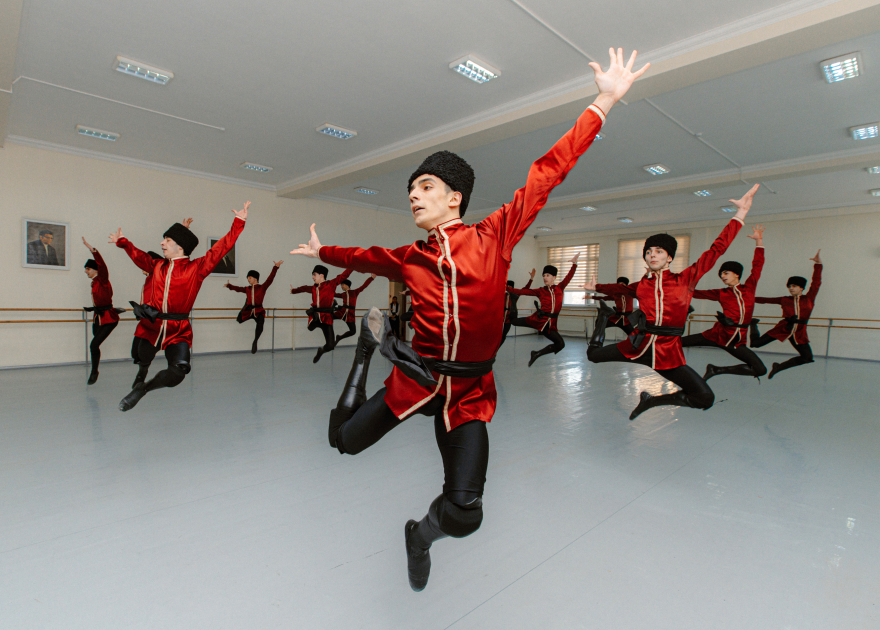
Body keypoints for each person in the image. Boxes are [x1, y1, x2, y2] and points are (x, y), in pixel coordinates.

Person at [290, 48, 647, 591]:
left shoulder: (493, 235)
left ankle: (418, 537)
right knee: (345, 442)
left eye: (425, 187)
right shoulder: (410, 257)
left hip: (470, 390)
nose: (414, 196)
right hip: (417, 377)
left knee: (465, 514)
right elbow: (362, 256)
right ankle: (364, 354)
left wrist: (602, 102)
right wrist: (323, 252)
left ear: (455, 197)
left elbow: (546, 173)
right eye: (411, 191)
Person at [584, 184, 759, 420]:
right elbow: (620, 289)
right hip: (638, 344)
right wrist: (596, 287)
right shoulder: (641, 284)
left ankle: (651, 400)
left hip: (667, 351)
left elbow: (716, 250)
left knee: (704, 397)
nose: (652, 255)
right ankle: (603, 319)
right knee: (593, 356)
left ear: (669, 257)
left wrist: (740, 214)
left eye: (658, 251)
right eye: (649, 252)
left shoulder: (686, 279)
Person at [112, 203, 250, 411]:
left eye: (167, 240)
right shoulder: (157, 265)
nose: (162, 243)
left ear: (180, 247)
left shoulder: (197, 268)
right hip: (153, 325)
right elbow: (139, 256)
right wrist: (123, 242)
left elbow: (222, 247)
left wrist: (239, 222)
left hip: (178, 330)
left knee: (179, 372)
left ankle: (143, 389)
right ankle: (142, 371)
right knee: (142, 356)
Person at [681, 225, 767, 380]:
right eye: (721, 274)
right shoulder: (721, 293)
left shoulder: (749, 288)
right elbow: (695, 293)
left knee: (760, 369)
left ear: (737, 274)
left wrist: (759, 241)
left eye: (726, 273)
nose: (722, 276)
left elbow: (758, 265)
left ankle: (716, 370)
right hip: (717, 335)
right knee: (678, 342)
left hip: (737, 340)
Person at [750, 250, 823, 379]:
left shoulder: (809, 298)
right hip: (783, 328)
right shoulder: (785, 299)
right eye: (789, 286)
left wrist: (818, 264)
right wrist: (745, 298)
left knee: (807, 358)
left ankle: (779, 367)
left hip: (799, 332)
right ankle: (753, 324)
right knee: (755, 344)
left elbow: (816, 282)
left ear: (801, 288)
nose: (791, 288)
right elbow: (764, 300)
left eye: (794, 286)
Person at [506, 254, 579, 366]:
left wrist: (574, 264)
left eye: (547, 275)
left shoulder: (560, 288)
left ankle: (536, 354)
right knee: (514, 321)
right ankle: (513, 299)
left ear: (554, 277)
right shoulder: (541, 290)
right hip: (538, 319)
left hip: (550, 325)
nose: (545, 277)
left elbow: (569, 276)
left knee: (560, 344)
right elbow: (523, 291)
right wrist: (506, 287)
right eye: (544, 275)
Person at [290, 266, 352, 363]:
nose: (312, 277)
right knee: (310, 328)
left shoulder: (331, 284)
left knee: (331, 346)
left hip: (327, 318)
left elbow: (343, 275)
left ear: (321, 275)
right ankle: (314, 324)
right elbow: (304, 288)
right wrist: (293, 291)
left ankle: (321, 351)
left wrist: (352, 265)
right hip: (316, 317)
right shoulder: (313, 288)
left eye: (314, 275)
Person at [82, 237, 122, 384]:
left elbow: (102, 265)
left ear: (95, 270)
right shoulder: (94, 282)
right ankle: (95, 369)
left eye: (88, 269)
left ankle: (94, 371)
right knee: (95, 344)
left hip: (108, 318)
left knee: (93, 345)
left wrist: (93, 250)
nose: (86, 271)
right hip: (98, 316)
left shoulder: (103, 279)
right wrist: (93, 307)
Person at [226, 261, 283, 354]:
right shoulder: (247, 289)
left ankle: (255, 341)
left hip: (258, 310)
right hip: (248, 310)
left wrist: (275, 267)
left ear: (255, 278)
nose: (248, 279)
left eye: (250, 278)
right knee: (239, 319)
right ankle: (245, 308)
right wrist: (229, 286)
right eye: (247, 278)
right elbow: (238, 289)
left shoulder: (262, 287)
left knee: (261, 323)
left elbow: (270, 279)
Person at [334, 274, 376, 344]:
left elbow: (364, 286)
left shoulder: (355, 292)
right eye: (341, 285)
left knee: (353, 331)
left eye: (342, 285)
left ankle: (339, 337)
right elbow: (333, 294)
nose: (341, 286)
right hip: (342, 312)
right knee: (328, 318)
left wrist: (371, 278)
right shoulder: (343, 294)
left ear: (347, 285)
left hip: (350, 315)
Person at [500, 270, 534, 346]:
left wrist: (531, 279)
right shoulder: (503, 294)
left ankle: (498, 347)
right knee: (497, 333)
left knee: (504, 334)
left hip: (509, 317)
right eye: (507, 286)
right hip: (501, 316)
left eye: (510, 286)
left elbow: (525, 289)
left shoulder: (515, 294)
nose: (509, 288)